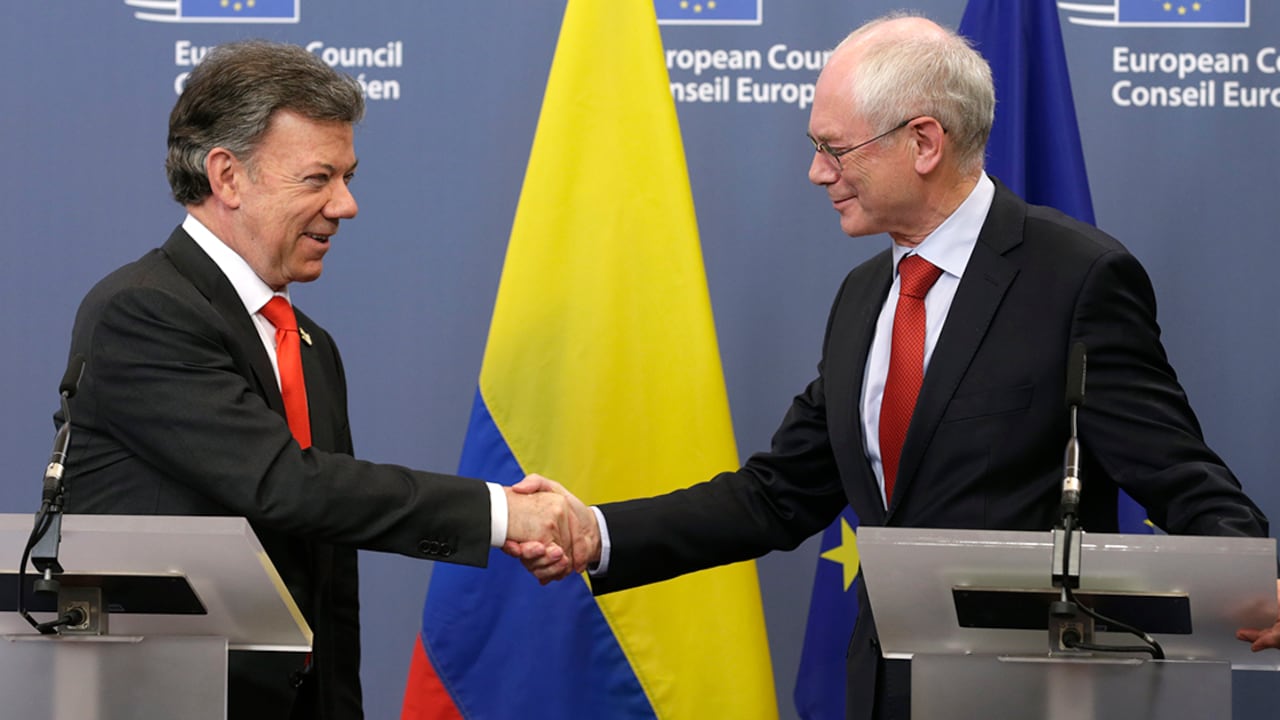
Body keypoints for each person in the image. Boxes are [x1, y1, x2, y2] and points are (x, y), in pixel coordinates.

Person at [506, 13, 1280, 720]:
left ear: (923, 142)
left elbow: (1181, 476)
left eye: (833, 148)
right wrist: (597, 532)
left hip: (1033, 695)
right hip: (882, 695)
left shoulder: (1075, 279)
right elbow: (776, 495)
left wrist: (1250, 576)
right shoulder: (864, 296)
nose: (816, 172)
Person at [58, 40, 575, 720]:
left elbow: (326, 559)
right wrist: (501, 513)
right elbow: (284, 486)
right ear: (227, 176)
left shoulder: (308, 344)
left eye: (348, 177)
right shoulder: (144, 310)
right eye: (317, 179)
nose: (346, 204)